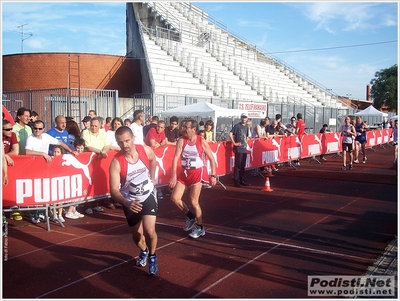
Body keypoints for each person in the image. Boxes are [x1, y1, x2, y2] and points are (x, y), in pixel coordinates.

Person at [109, 126, 159, 275]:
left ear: (133, 139)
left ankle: (152, 257)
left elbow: (153, 159)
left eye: (127, 141)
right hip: (130, 201)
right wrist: (126, 203)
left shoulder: (144, 150)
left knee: (150, 231)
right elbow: (113, 191)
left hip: (148, 194)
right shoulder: (116, 162)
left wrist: (152, 177)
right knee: (137, 235)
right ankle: (143, 250)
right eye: (120, 143)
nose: (125, 145)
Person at [169, 119, 217, 238]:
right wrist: (174, 175)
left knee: (193, 201)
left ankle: (200, 227)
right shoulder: (181, 140)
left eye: (186, 127)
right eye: (184, 126)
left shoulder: (201, 141)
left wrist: (213, 175)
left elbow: (211, 158)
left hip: (197, 173)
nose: (183, 129)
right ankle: (190, 216)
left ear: (193, 129)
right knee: (175, 198)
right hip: (184, 173)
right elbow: (175, 158)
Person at [25, 120, 76, 223]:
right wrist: (43, 154)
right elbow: (27, 151)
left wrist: (70, 151)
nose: (37, 130)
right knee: (36, 191)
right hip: (34, 168)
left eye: (39, 128)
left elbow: (60, 143)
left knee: (44, 191)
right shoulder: (30, 138)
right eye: (35, 128)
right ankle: (35, 214)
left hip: (45, 168)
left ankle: (44, 213)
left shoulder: (46, 137)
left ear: (43, 129)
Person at [81, 117, 111, 214]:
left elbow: (107, 145)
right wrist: (101, 152)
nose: (93, 128)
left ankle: (95, 204)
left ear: (100, 125)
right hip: (88, 162)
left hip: (99, 162)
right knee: (88, 182)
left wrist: (103, 152)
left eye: (96, 126)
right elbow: (88, 146)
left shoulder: (103, 133)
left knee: (97, 182)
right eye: (92, 126)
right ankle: (87, 205)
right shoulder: (85, 133)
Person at [229, 113, 251, 187]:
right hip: (238, 149)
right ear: (240, 118)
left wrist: (246, 140)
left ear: (247, 119)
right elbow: (230, 134)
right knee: (238, 165)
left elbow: (248, 136)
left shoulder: (246, 127)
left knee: (242, 165)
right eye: (243, 117)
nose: (244, 119)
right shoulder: (237, 126)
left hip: (244, 148)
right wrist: (234, 143)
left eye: (245, 118)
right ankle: (236, 181)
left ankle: (242, 179)